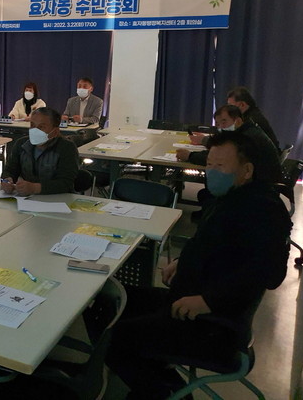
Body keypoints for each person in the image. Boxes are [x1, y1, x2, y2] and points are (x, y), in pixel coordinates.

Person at [107, 132, 291, 399]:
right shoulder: (230, 196)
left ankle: (164, 392)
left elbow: (270, 273)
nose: (211, 172)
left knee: (115, 336)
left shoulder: (263, 209)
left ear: (247, 170)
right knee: (112, 299)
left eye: (220, 166)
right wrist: (183, 261)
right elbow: (214, 243)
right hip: (188, 300)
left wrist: (209, 301)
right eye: (209, 164)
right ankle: (158, 378)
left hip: (213, 324)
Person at [176, 104, 281, 184]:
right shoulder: (246, 130)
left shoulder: (246, 137)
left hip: (258, 185)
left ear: (238, 121)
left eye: (224, 122)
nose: (221, 127)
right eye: (218, 124)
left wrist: (190, 156)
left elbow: (219, 160)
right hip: (259, 179)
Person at [1, 107, 78, 196]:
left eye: (41, 127)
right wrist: (7, 180)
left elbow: (66, 184)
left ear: (55, 131)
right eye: (32, 125)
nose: (35, 130)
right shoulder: (21, 144)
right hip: (26, 199)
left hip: (57, 199)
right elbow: (10, 170)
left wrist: (35, 188)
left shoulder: (67, 147)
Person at [227, 86, 280, 150]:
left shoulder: (251, 120)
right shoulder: (253, 114)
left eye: (231, 106)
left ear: (242, 105)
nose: (228, 110)